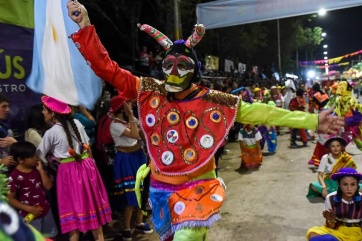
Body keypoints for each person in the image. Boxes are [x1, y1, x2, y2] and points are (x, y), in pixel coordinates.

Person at [67, 2, 344, 240]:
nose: (174, 72)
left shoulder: (214, 100)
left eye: (182, 66)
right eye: (168, 65)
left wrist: (312, 120)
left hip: (196, 188)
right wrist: (86, 26)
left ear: (194, 70)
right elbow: (107, 69)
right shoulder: (149, 90)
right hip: (160, 188)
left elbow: (264, 112)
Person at [36, 96, 111, 241]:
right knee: (93, 212)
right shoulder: (76, 123)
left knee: (73, 216)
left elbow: (39, 154)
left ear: (52, 113)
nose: (42, 112)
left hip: (69, 173)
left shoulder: (51, 133)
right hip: (87, 168)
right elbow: (87, 147)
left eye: (44, 110)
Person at [108, 95, 153, 240]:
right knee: (131, 195)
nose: (130, 105)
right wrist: (131, 116)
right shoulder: (115, 124)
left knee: (143, 190)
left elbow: (142, 134)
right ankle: (126, 227)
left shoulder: (129, 120)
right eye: (127, 104)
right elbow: (134, 135)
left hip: (138, 157)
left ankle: (139, 222)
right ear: (121, 108)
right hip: (126, 160)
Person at [7, 141, 58, 239]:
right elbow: (11, 200)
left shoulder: (37, 170)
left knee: (51, 236)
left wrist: (41, 171)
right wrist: (29, 209)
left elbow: (48, 186)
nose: (36, 158)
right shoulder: (14, 177)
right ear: (20, 160)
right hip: (30, 216)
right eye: (32, 156)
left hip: (46, 212)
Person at [306, 167, 362, 241]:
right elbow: (330, 225)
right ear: (339, 184)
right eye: (345, 184)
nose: (349, 188)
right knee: (312, 234)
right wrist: (331, 220)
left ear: (357, 185)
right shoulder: (331, 198)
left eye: (353, 184)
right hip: (336, 229)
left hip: (356, 232)